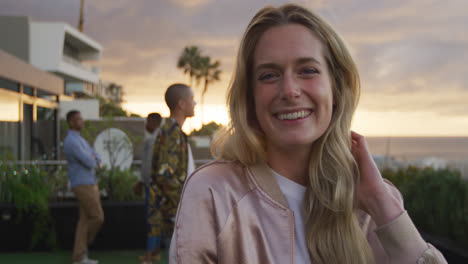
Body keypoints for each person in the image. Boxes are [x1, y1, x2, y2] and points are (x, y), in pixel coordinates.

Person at [169, 4, 447, 264]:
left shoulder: (374, 200)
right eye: (269, 75)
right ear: (250, 97)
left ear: (336, 88)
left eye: (308, 70)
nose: (289, 90)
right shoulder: (213, 191)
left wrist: (380, 203)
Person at [144, 84, 196, 264]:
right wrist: (182, 204)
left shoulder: (171, 132)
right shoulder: (172, 134)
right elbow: (165, 176)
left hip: (174, 210)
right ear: (181, 104)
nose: (195, 102)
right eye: (192, 99)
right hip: (175, 211)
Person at [64, 110, 104, 264]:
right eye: (78, 119)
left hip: (89, 182)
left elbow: (95, 155)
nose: (82, 121)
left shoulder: (80, 139)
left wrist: (94, 158)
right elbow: (90, 161)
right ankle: (81, 249)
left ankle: (79, 257)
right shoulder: (71, 141)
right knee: (97, 217)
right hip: (82, 184)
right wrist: (93, 159)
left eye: (81, 118)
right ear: (71, 122)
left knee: (85, 220)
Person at [134, 112, 163, 262]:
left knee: (152, 219)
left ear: (153, 122)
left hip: (153, 186)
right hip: (153, 184)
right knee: (155, 219)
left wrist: (143, 181)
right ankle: (155, 253)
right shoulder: (155, 138)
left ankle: (149, 256)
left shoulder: (154, 140)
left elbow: (150, 166)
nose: (146, 125)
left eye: (147, 121)